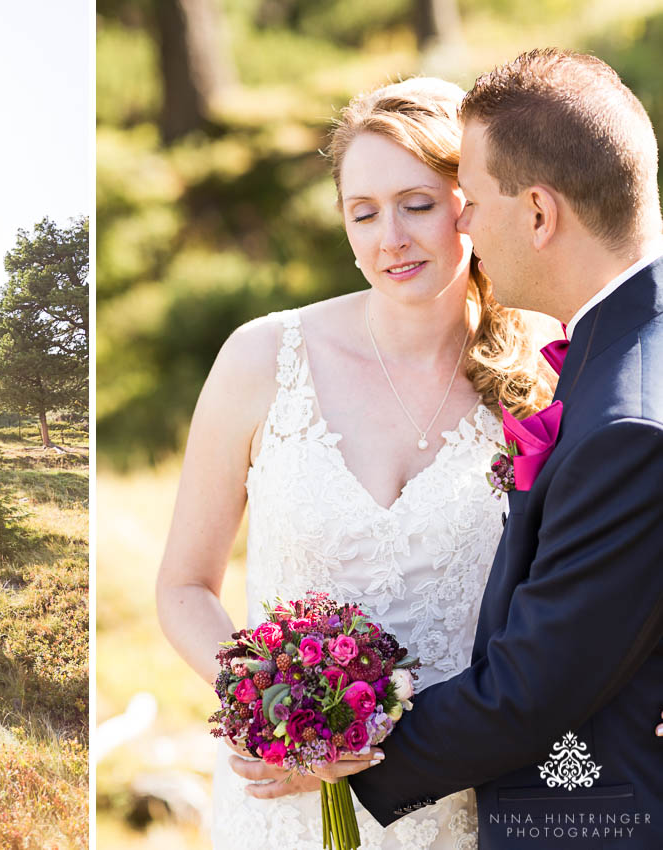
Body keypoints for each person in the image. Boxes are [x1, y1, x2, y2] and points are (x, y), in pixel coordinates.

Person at [155, 75, 558, 849]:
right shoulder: (262, 358)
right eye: (362, 213)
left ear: (468, 202)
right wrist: (273, 712)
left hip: (464, 796)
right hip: (283, 801)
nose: (389, 240)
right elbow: (181, 586)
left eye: (417, 204)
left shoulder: (542, 369)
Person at [310, 49, 663, 850]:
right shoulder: (616, 353)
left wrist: (336, 749)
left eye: (471, 198)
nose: (460, 222)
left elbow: (529, 692)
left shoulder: (625, 424)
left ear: (538, 213)